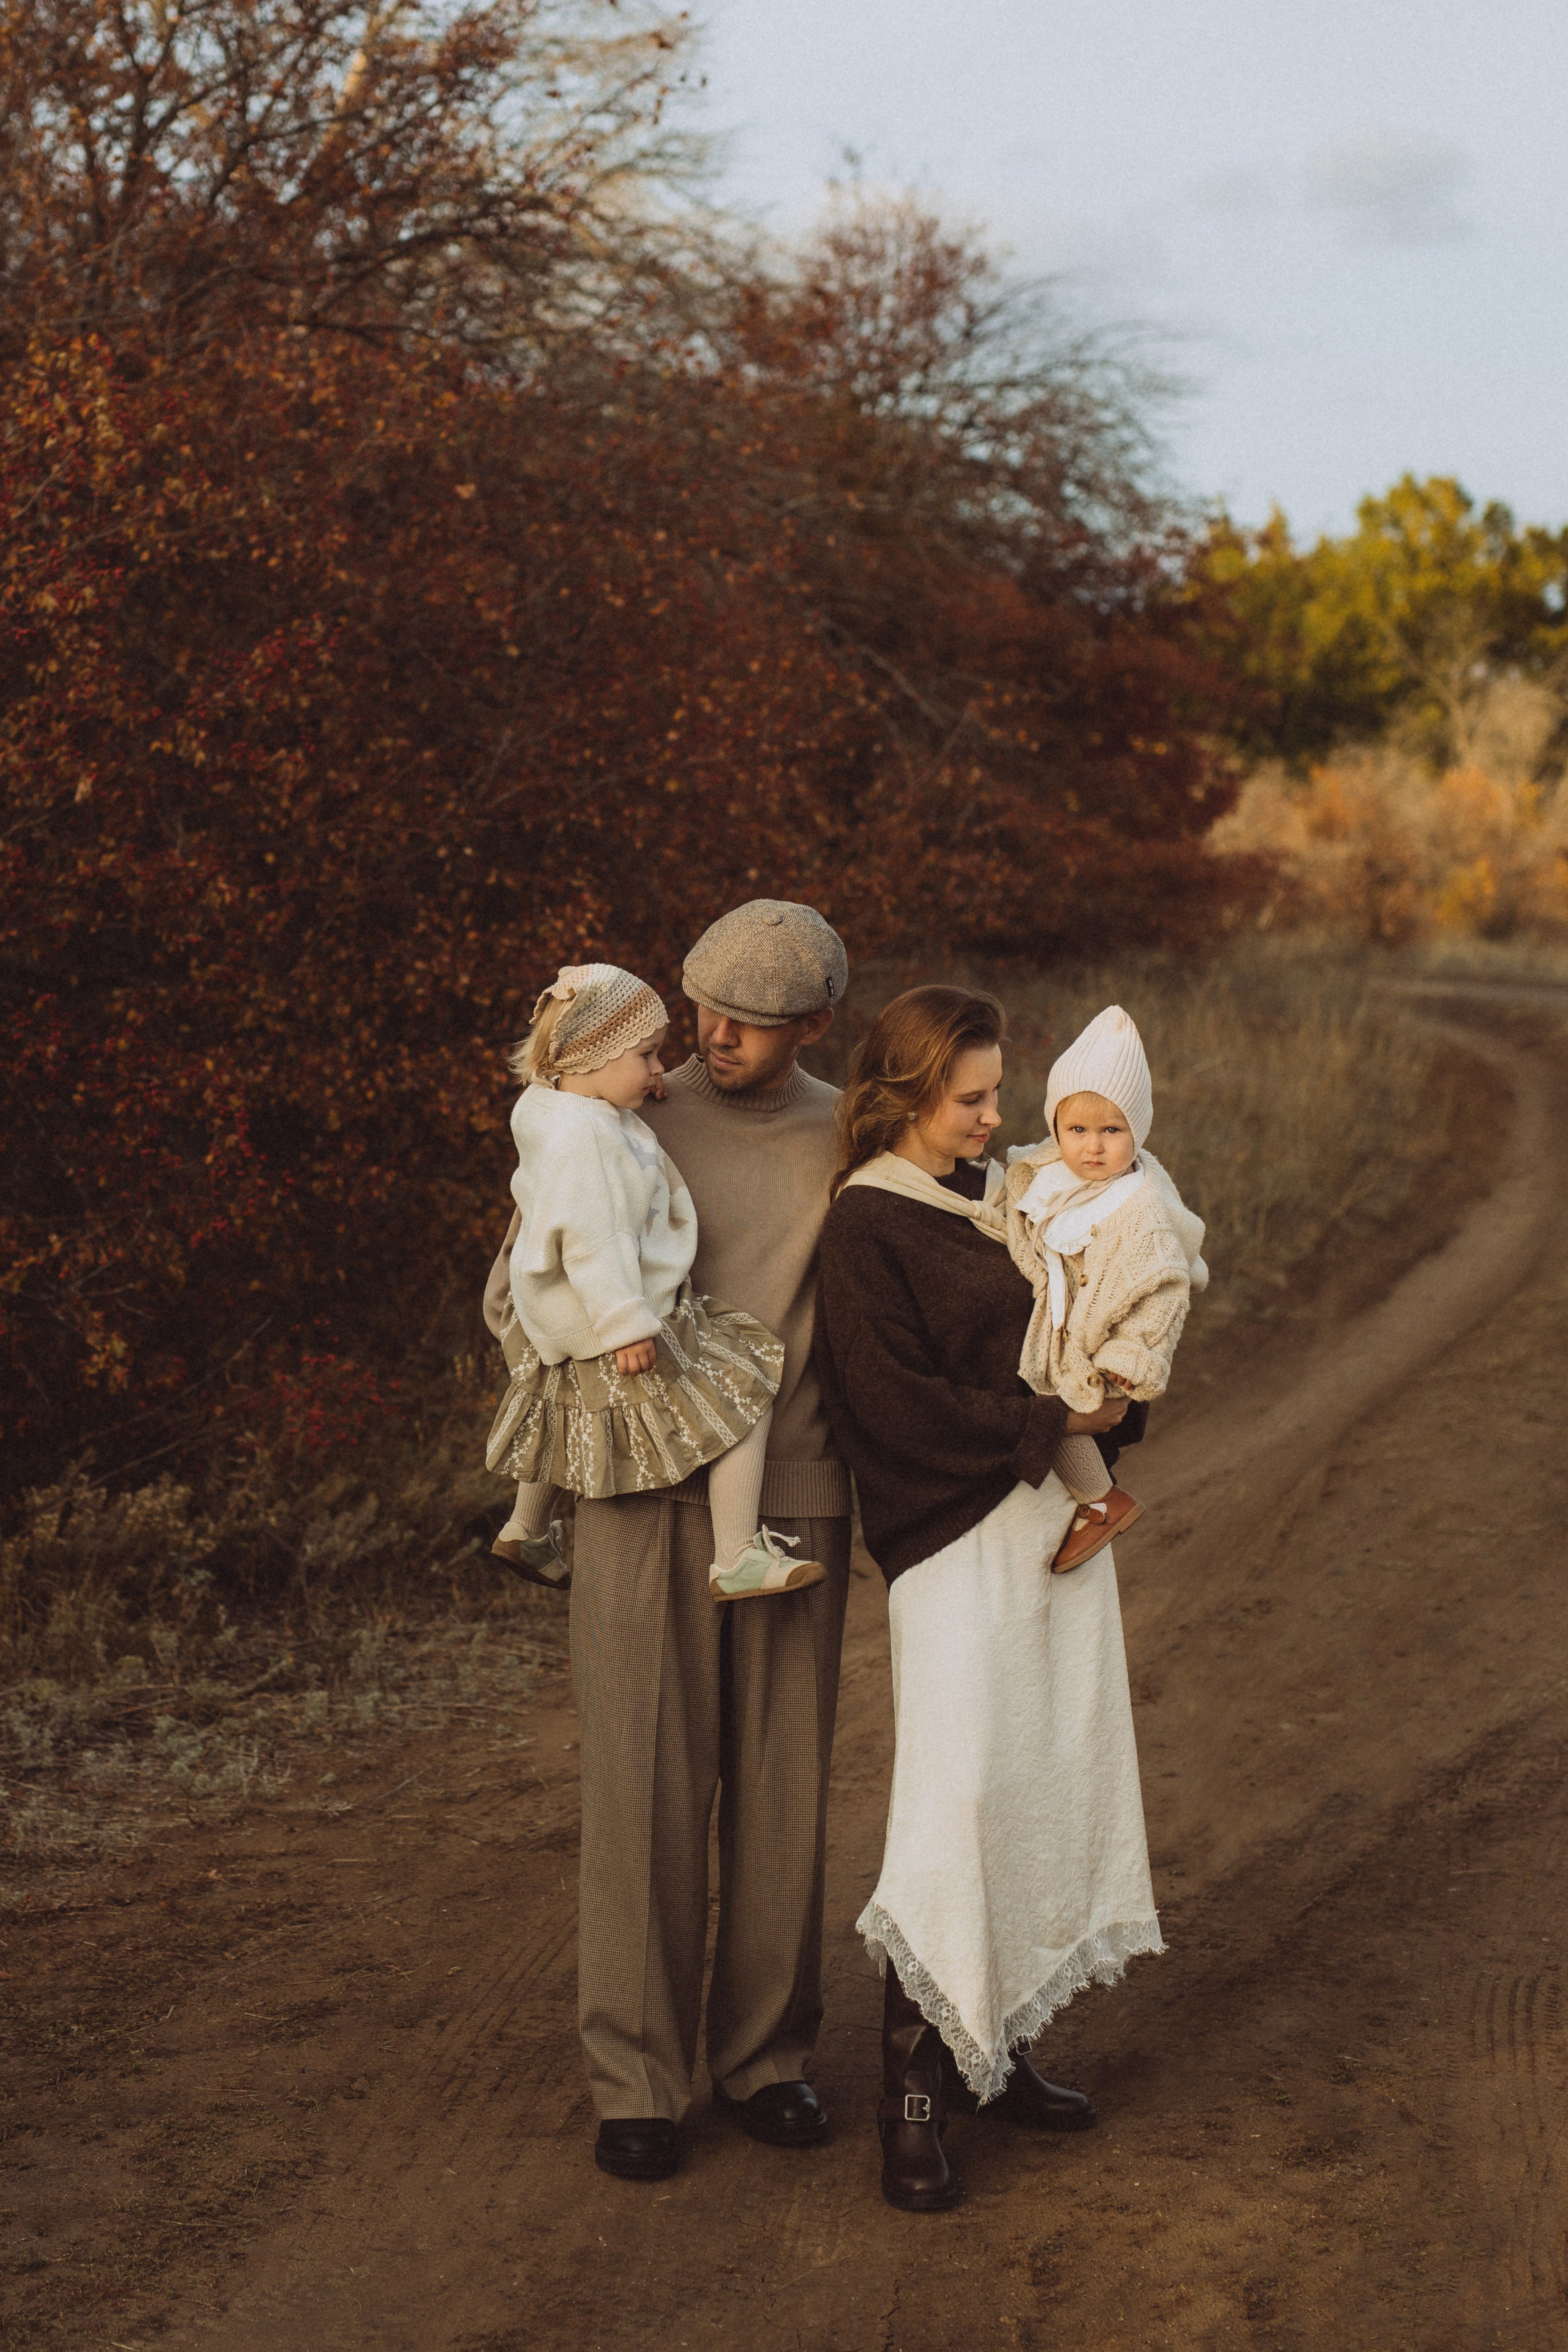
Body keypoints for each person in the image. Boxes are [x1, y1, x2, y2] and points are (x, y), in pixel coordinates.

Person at [812, 984, 1164, 2214]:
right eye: (970, 1099)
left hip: (1051, 1527)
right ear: (906, 1096)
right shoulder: (865, 1226)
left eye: (996, 1093)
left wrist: (1113, 1390)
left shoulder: (1014, 1198)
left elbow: (1089, 1315)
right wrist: (1048, 1417)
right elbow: (885, 1405)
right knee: (952, 1801)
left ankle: (998, 2045)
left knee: (1037, 1780)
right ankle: (911, 2097)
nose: (993, 1116)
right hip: (951, 1538)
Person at [564, 901, 854, 2182]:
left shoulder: (851, 1133)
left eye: (747, 1020)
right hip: (638, 1486)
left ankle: (767, 2059)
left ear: (816, 1026)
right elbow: (532, 1274)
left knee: (780, 1785)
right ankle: (636, 2077)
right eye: (699, 1007)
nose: (710, 1036)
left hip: (796, 1487)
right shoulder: (617, 1108)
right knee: (641, 1784)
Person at [483, 962, 825, 1602]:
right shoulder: (588, 1142)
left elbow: (594, 1123)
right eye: (644, 1056)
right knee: (746, 1387)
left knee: (563, 1404)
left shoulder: (554, 1108)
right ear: (592, 1056)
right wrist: (627, 1325)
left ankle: (525, 1525)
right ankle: (736, 1556)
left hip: (555, 1322)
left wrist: (630, 1105)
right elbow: (598, 1239)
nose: (657, 1070)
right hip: (611, 1317)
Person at [1003, 1003, 1208, 1574]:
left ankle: (1101, 1501)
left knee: (1062, 1407)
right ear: (1056, 1129)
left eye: (1111, 1131)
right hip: (1059, 1329)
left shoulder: (1139, 1208)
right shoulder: (1047, 1175)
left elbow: (1160, 1295)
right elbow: (1017, 1197)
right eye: (1077, 1130)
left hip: (1101, 1345)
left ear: (1136, 1132)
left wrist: (1125, 1359)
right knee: (1044, 1398)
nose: (1092, 1148)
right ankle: (1092, 1497)